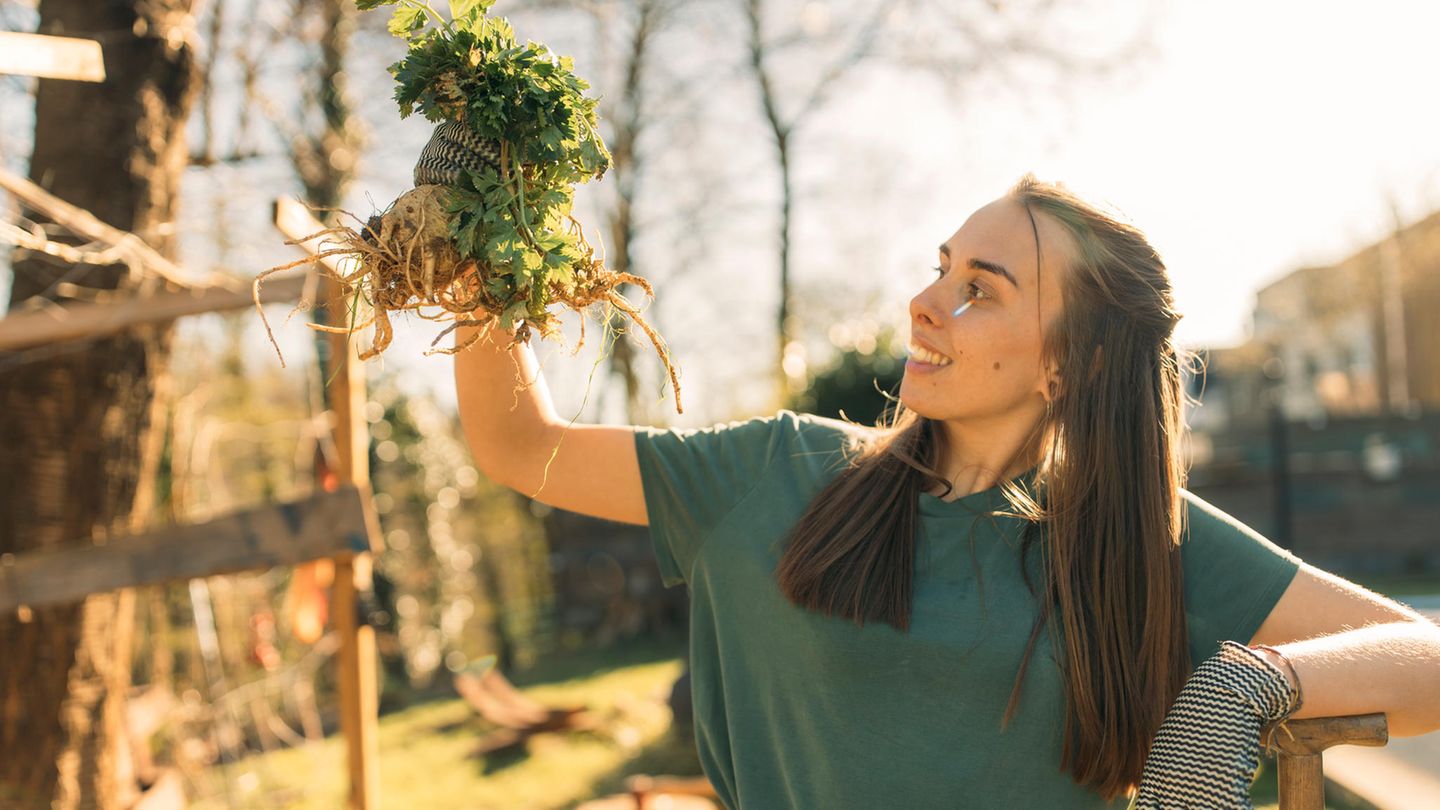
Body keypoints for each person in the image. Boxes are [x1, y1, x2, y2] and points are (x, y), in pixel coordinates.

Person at [452, 174, 1306, 808]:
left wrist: (1248, 689)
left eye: (978, 290)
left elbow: (1425, 658)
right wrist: (472, 231)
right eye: (942, 270)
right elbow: (521, 444)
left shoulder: (1134, 540)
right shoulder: (772, 472)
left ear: (1067, 365)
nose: (923, 303)